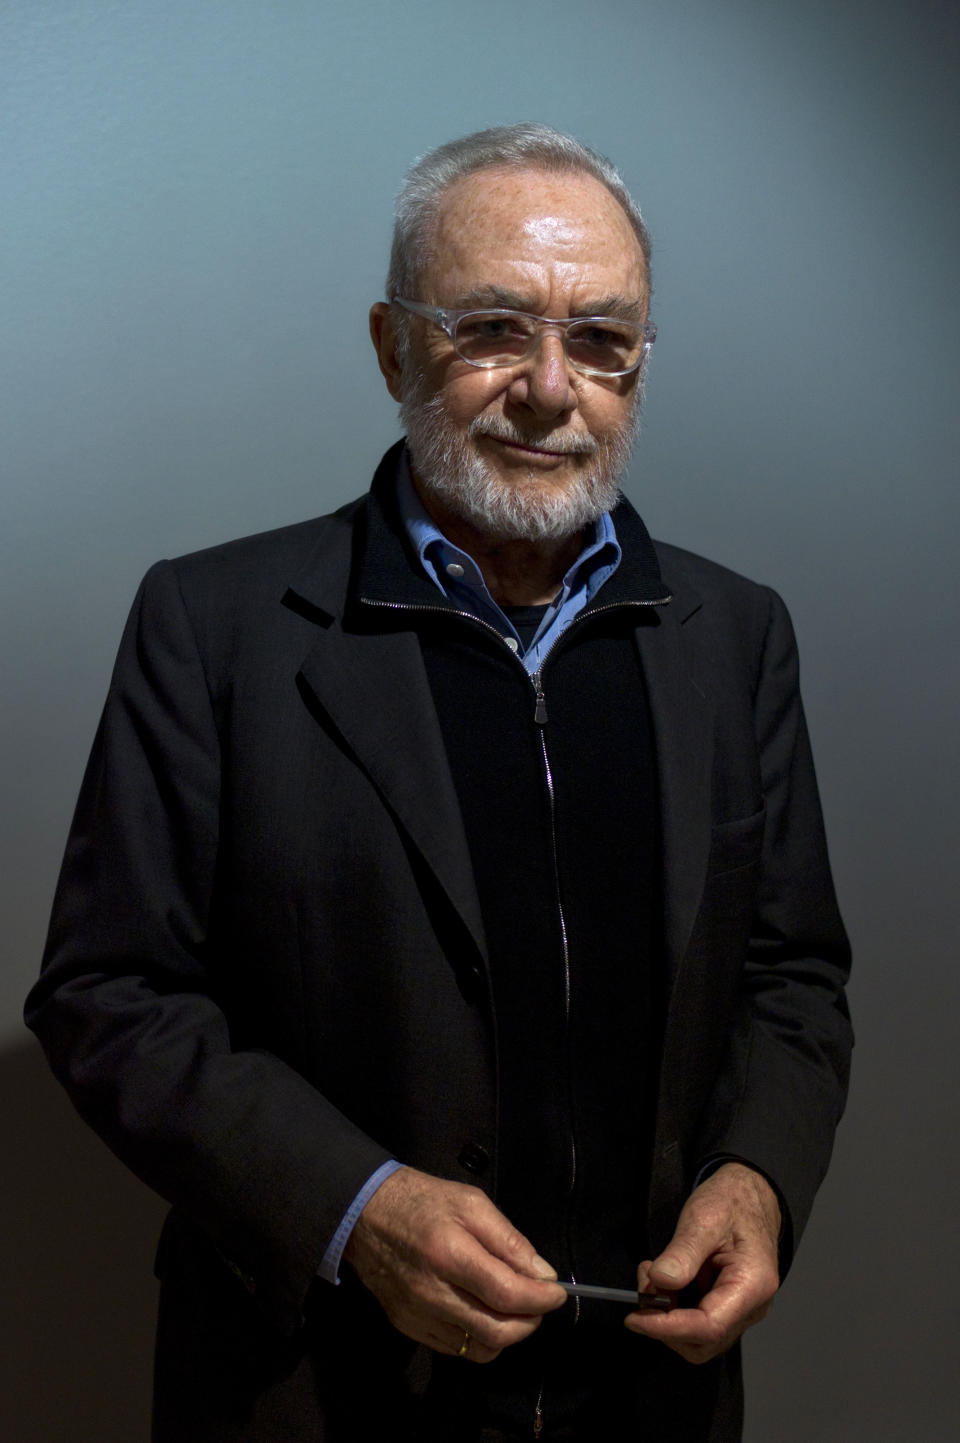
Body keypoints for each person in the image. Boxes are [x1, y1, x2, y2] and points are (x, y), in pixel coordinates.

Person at [25, 124, 852, 1442]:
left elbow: (791, 979)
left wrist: (756, 1181)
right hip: (315, 1395)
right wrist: (353, 1210)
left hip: (648, 1404)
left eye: (601, 340)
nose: (548, 387)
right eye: (490, 329)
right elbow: (108, 994)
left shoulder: (736, 636)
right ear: (391, 344)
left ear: (641, 370)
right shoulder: (214, 625)